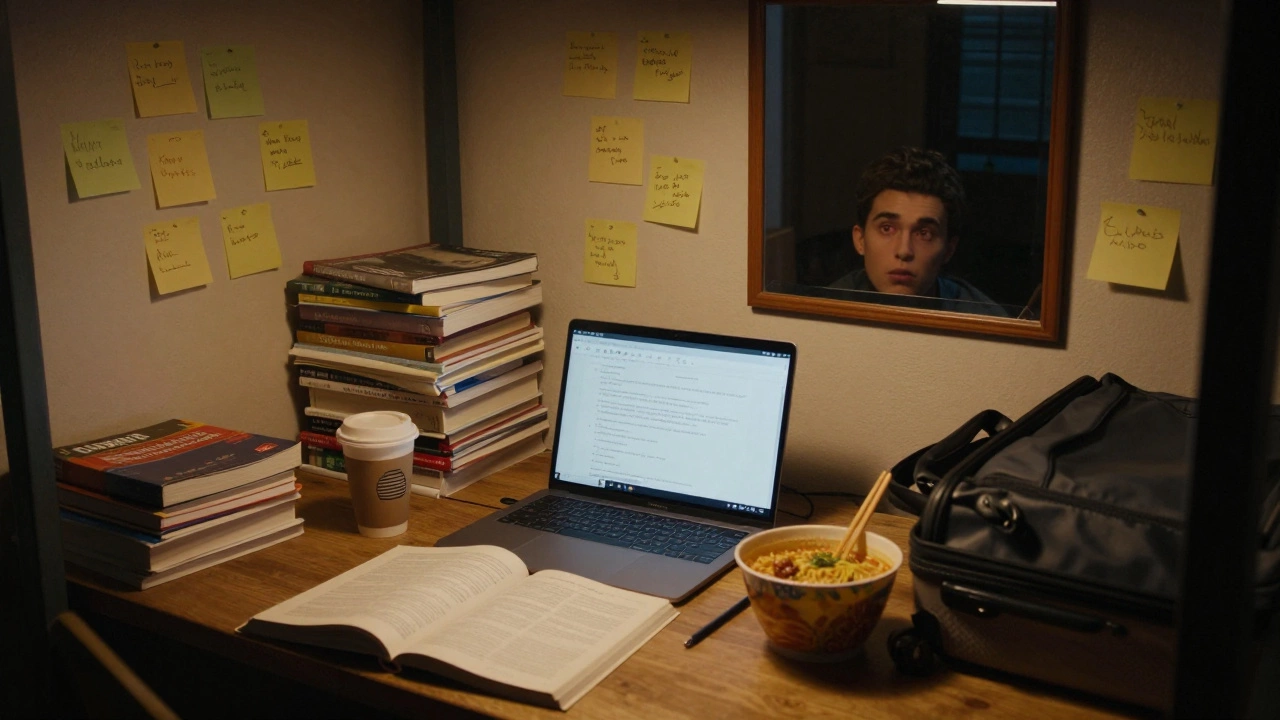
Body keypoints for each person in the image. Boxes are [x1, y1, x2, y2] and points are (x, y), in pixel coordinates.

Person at [829, 147, 1006, 315]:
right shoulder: (822, 312)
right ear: (860, 240)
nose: (904, 251)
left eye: (924, 233)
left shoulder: (986, 323)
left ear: (949, 250)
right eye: (887, 228)